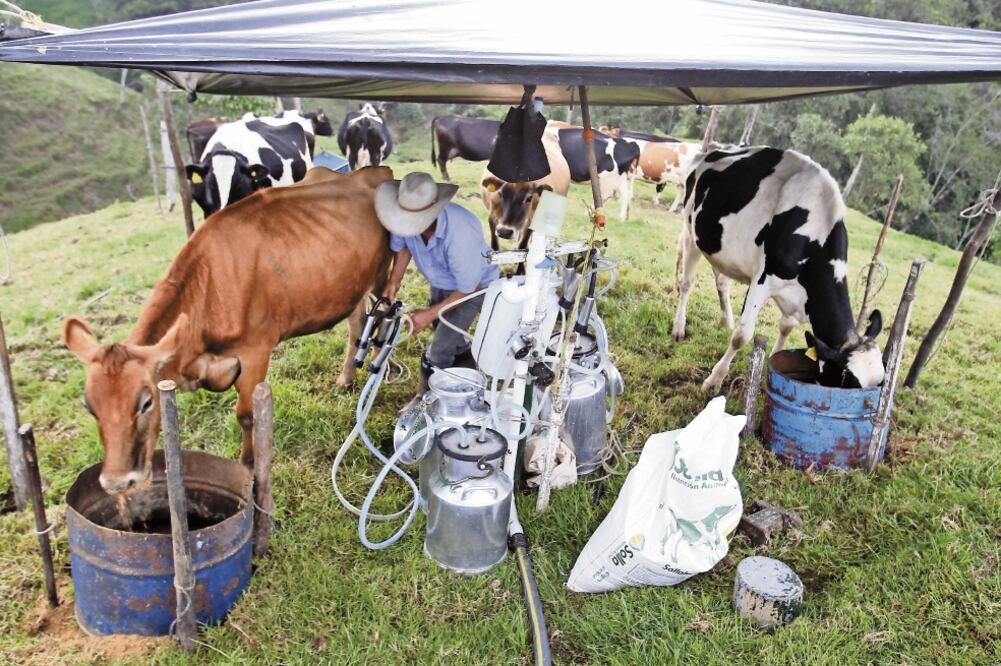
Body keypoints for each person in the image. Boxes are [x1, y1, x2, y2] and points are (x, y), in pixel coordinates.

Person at [375, 171, 500, 399]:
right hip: (441, 281)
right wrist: (394, 281)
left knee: (439, 349)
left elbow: (469, 287)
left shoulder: (460, 233)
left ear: (432, 208)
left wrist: (428, 314)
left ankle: (426, 402)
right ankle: (467, 386)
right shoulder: (402, 219)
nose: (407, 223)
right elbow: (403, 246)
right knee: (451, 338)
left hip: (474, 288)